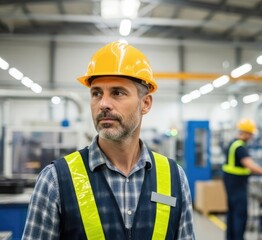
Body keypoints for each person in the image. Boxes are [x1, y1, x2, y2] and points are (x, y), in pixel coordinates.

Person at [22, 41, 195, 239]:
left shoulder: (175, 178)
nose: (103, 104)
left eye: (117, 93)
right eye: (96, 93)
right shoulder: (55, 180)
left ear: (145, 103)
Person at [222, 118, 262, 240]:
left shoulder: (233, 143)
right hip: (237, 185)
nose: (251, 137)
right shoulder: (240, 147)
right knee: (240, 215)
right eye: (251, 134)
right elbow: (250, 165)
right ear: (246, 133)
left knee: (232, 214)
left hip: (230, 183)